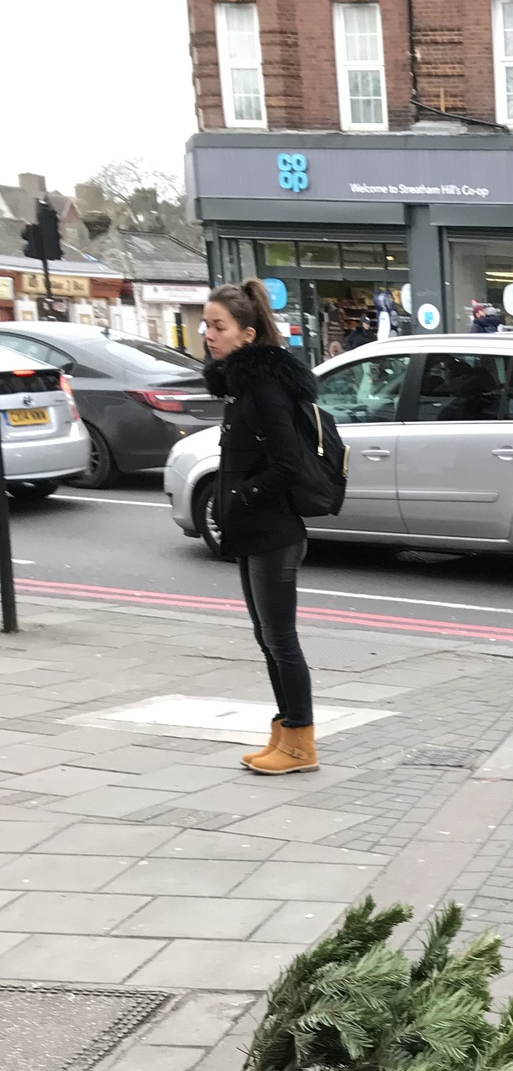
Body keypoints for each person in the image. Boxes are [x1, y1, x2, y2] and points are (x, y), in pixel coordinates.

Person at [202, 278, 320, 775]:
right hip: (253, 531)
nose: (208, 334)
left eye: (218, 326)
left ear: (246, 335)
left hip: (274, 532)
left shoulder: (264, 388)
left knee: (281, 638)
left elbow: (288, 464)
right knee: (266, 637)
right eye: (206, 324)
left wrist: (243, 494)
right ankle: (284, 731)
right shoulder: (239, 386)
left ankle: (301, 744)